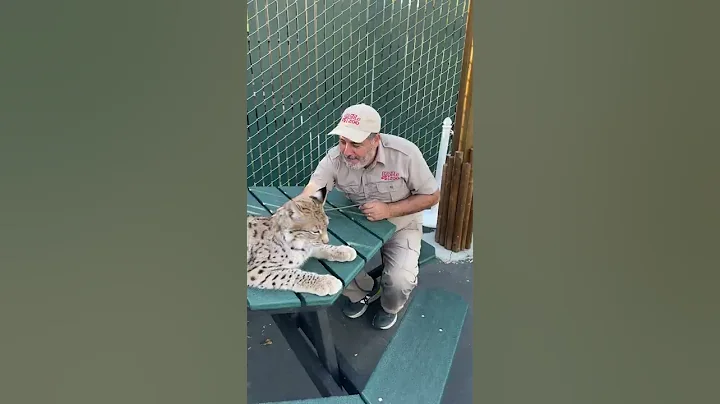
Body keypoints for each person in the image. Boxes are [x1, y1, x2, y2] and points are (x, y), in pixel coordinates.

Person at [295, 103, 440, 330]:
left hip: (402, 224)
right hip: (358, 222)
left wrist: (389, 210)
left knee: (400, 281)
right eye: (342, 141)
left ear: (375, 140)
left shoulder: (405, 154)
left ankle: (389, 307)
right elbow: (316, 192)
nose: (346, 151)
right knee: (324, 254)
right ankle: (363, 291)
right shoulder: (335, 158)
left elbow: (432, 196)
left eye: (355, 144)